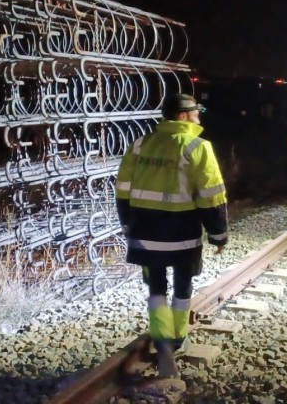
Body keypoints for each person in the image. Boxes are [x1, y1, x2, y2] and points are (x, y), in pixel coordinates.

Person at [115, 93, 229, 378]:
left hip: (144, 231)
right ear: (182, 116)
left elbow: (123, 190)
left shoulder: (140, 146)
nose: (199, 118)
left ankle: (161, 336)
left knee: (155, 286)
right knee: (182, 284)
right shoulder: (198, 147)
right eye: (196, 113)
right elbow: (211, 196)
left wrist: (128, 225)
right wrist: (218, 235)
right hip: (181, 234)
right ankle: (176, 337)